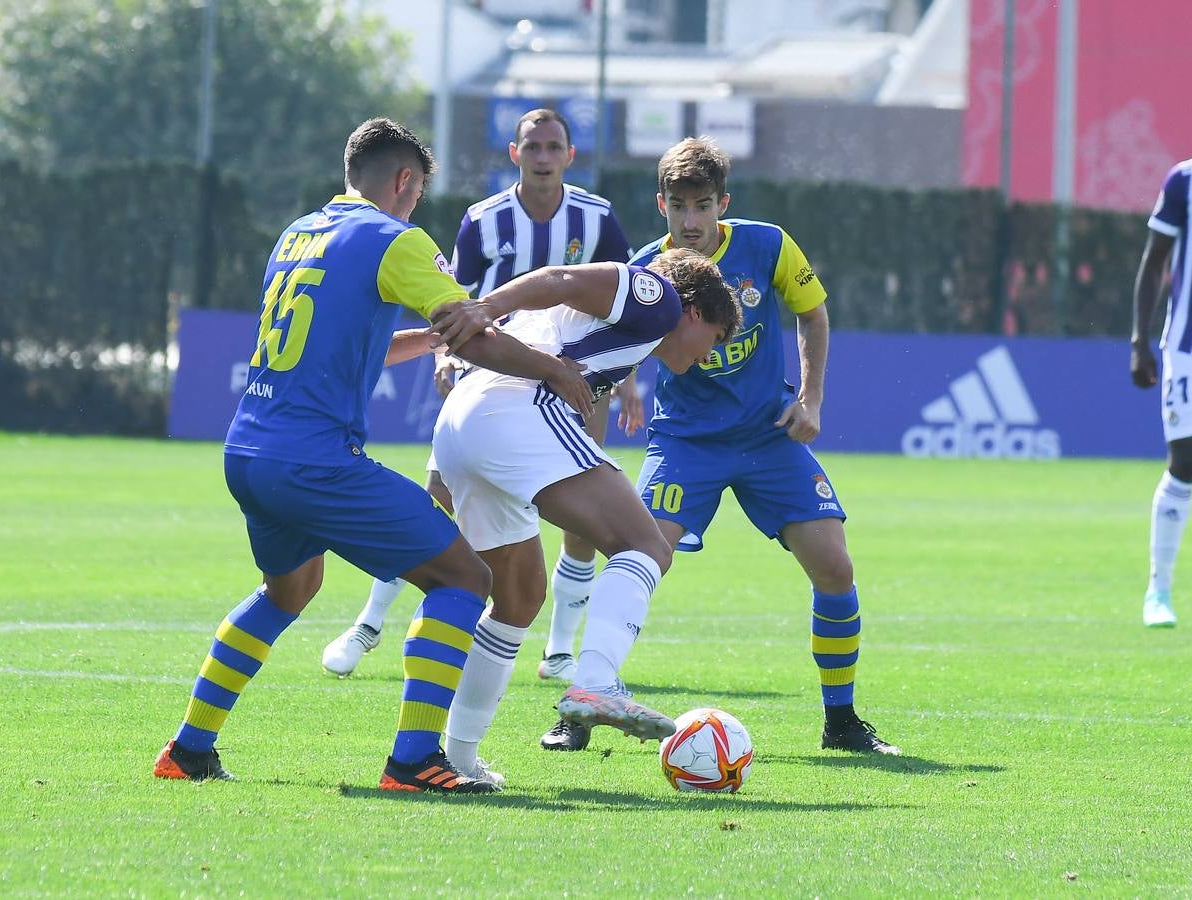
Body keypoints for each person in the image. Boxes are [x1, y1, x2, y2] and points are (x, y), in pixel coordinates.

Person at [152, 117, 593, 793]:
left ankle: (188, 750)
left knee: (289, 589)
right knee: (464, 579)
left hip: (249, 450)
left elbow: (355, 343)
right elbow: (472, 333)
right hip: (314, 460)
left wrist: (430, 341)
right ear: (404, 182)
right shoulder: (396, 238)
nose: (414, 207)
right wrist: (553, 369)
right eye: (415, 195)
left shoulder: (300, 232)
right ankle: (414, 761)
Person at [540, 136, 901, 755]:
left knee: (835, 566)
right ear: (661, 205)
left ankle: (841, 722)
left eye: (702, 206)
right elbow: (615, 337)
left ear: (722, 204)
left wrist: (811, 401)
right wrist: (621, 388)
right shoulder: (649, 267)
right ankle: (582, 706)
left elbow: (812, 313)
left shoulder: (768, 245)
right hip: (686, 441)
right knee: (641, 554)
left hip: (768, 437)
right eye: (678, 206)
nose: (690, 221)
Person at [322, 107, 643, 689]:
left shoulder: (597, 217)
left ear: (569, 157)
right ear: (514, 155)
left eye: (553, 147)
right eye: (532, 147)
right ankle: (369, 624)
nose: (543, 157)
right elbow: (455, 300)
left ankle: (562, 651)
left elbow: (614, 301)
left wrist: (629, 382)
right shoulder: (483, 219)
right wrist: (447, 354)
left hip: (574, 381)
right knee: (436, 495)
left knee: (588, 520)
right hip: (491, 376)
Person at [424, 248, 742, 785]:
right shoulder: (659, 298)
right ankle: (596, 678)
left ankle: (457, 758)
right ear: (695, 312)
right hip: (512, 413)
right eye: (714, 338)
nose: (710, 354)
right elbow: (562, 277)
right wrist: (486, 307)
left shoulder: (632, 338)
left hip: (460, 425)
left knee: (518, 598)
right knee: (646, 545)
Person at [1130, 88, 1192, 630]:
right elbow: (1154, 264)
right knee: (1185, 464)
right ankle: (1158, 591)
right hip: (1190, 350)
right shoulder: (1188, 181)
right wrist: (1139, 341)